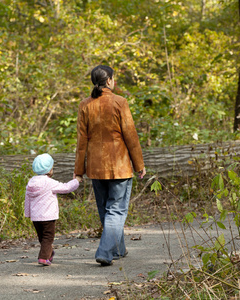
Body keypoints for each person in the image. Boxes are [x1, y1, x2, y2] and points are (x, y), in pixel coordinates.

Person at [74, 65, 146, 266]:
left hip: (96, 168)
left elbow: (81, 142)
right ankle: (106, 252)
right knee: (116, 210)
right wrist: (139, 164)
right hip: (119, 166)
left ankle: (118, 249)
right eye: (113, 79)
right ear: (109, 81)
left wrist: (79, 171)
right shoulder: (120, 102)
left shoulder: (85, 105)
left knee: (107, 210)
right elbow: (131, 136)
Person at [25, 153, 83, 266]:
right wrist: (76, 180)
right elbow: (66, 187)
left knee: (42, 237)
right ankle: (43, 257)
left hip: (35, 217)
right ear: (49, 170)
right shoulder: (49, 182)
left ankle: (49, 253)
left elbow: (27, 199)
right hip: (48, 216)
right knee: (48, 237)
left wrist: (28, 213)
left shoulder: (31, 182)